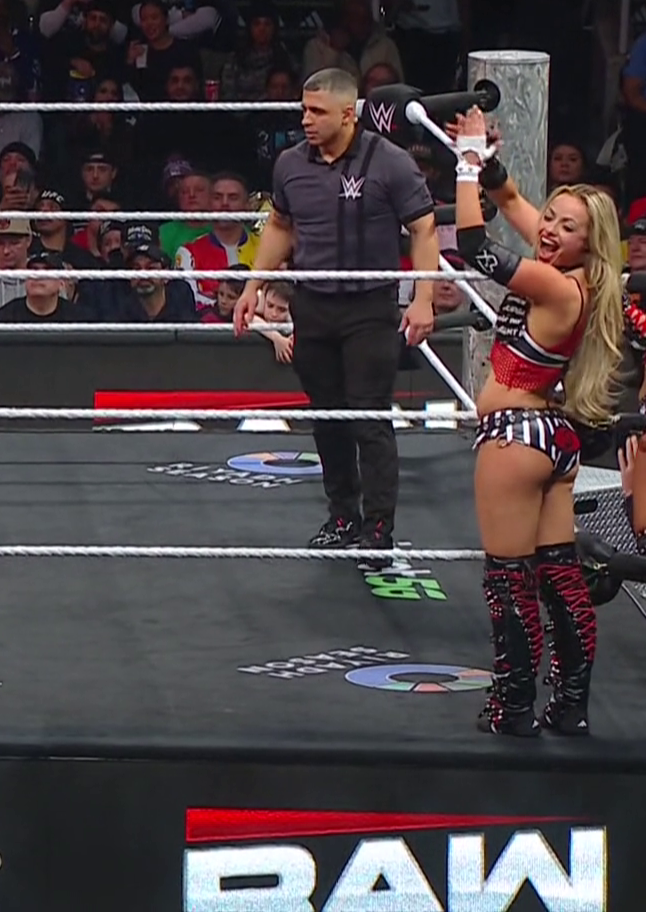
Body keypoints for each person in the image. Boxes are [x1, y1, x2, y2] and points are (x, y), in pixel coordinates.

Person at [450, 108, 623, 736]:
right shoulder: (582, 278)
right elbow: (512, 201)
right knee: (559, 577)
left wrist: (466, 164)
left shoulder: (556, 288)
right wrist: (491, 163)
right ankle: (570, 705)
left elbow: (474, 247)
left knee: (508, 579)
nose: (548, 230)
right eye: (551, 217)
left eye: (566, 226)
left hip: (516, 439)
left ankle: (513, 705)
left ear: (588, 242)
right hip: (553, 439)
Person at [236, 68, 439, 565]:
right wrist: (253, 286)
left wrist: (424, 298)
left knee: (368, 417)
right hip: (313, 304)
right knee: (327, 416)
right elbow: (280, 225)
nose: (306, 119)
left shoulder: (389, 162)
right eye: (303, 109)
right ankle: (343, 516)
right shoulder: (290, 163)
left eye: (317, 111)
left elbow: (424, 228)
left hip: (369, 306)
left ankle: (379, 529)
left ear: (348, 114)